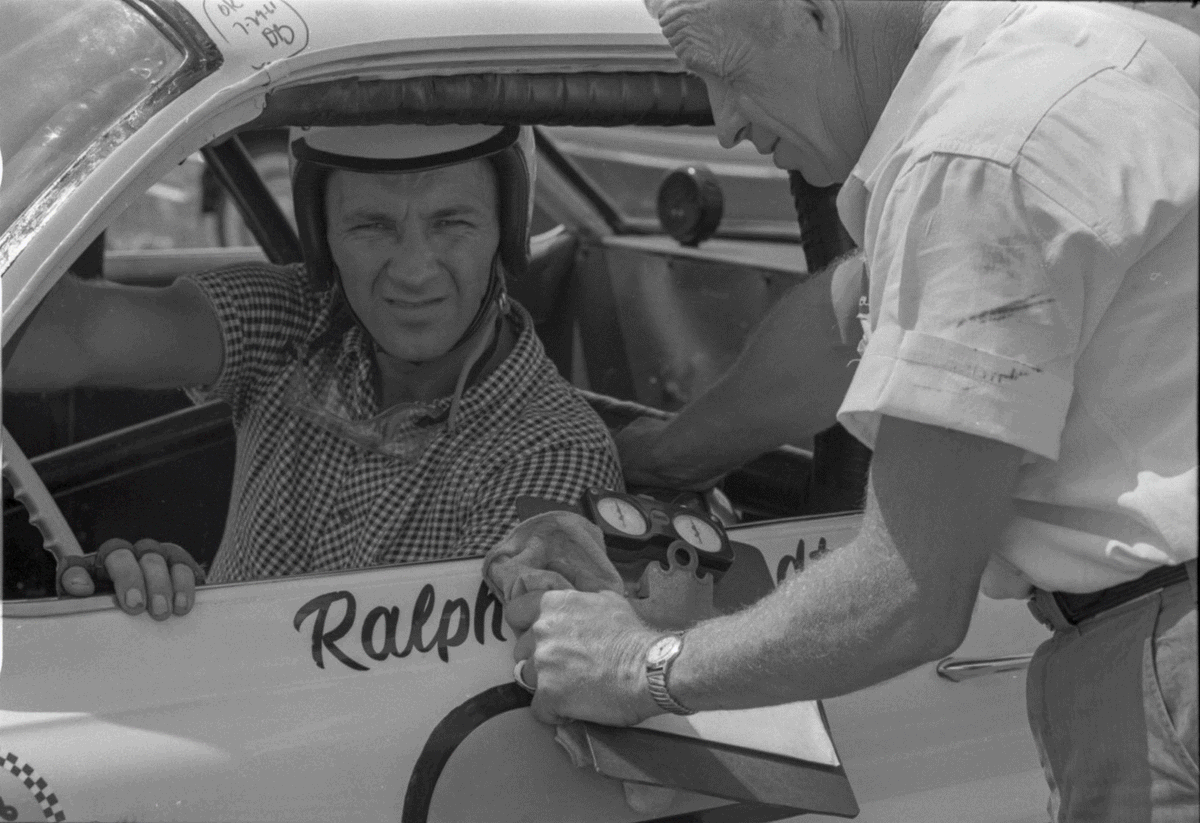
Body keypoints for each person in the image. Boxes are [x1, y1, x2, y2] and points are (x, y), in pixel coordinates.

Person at [503, 2, 1198, 820]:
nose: (723, 125)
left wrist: (638, 665)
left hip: (1164, 669)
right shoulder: (1117, 53)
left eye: (727, 73)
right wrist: (663, 456)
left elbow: (908, 592)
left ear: (818, 14)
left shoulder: (970, 158)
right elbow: (851, 320)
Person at [4, 123, 622, 619]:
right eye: (370, 226)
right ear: (324, 238)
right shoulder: (295, 319)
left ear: (505, 233)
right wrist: (168, 603)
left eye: (451, 223)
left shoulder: (551, 451)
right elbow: (78, 333)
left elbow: (445, 690)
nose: (412, 269)